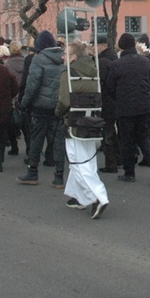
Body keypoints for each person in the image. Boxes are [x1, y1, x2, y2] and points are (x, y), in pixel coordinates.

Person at [56, 41, 109, 218]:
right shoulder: (94, 72)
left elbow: (64, 101)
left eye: (65, 54)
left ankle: (97, 197)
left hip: (73, 123)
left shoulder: (68, 74)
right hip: (92, 121)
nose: (62, 57)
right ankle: (78, 197)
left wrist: (57, 113)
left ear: (73, 57)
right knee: (87, 160)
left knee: (78, 162)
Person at [104, 33, 150, 183]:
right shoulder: (145, 61)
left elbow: (109, 86)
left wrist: (118, 97)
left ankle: (129, 172)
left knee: (126, 139)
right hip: (144, 106)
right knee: (142, 135)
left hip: (125, 107)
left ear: (122, 46)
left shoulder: (116, 64)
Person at [18, 30, 67, 188]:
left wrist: (24, 103)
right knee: (59, 140)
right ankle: (59, 176)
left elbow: (32, 84)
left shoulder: (38, 60)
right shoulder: (63, 58)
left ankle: (32, 172)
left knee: (36, 139)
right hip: (59, 106)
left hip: (40, 107)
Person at [96, 36, 121, 173]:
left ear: (102, 45)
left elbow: (100, 83)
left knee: (107, 132)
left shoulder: (102, 62)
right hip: (116, 100)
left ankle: (111, 163)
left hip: (106, 101)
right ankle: (118, 158)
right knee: (112, 131)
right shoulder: (115, 58)